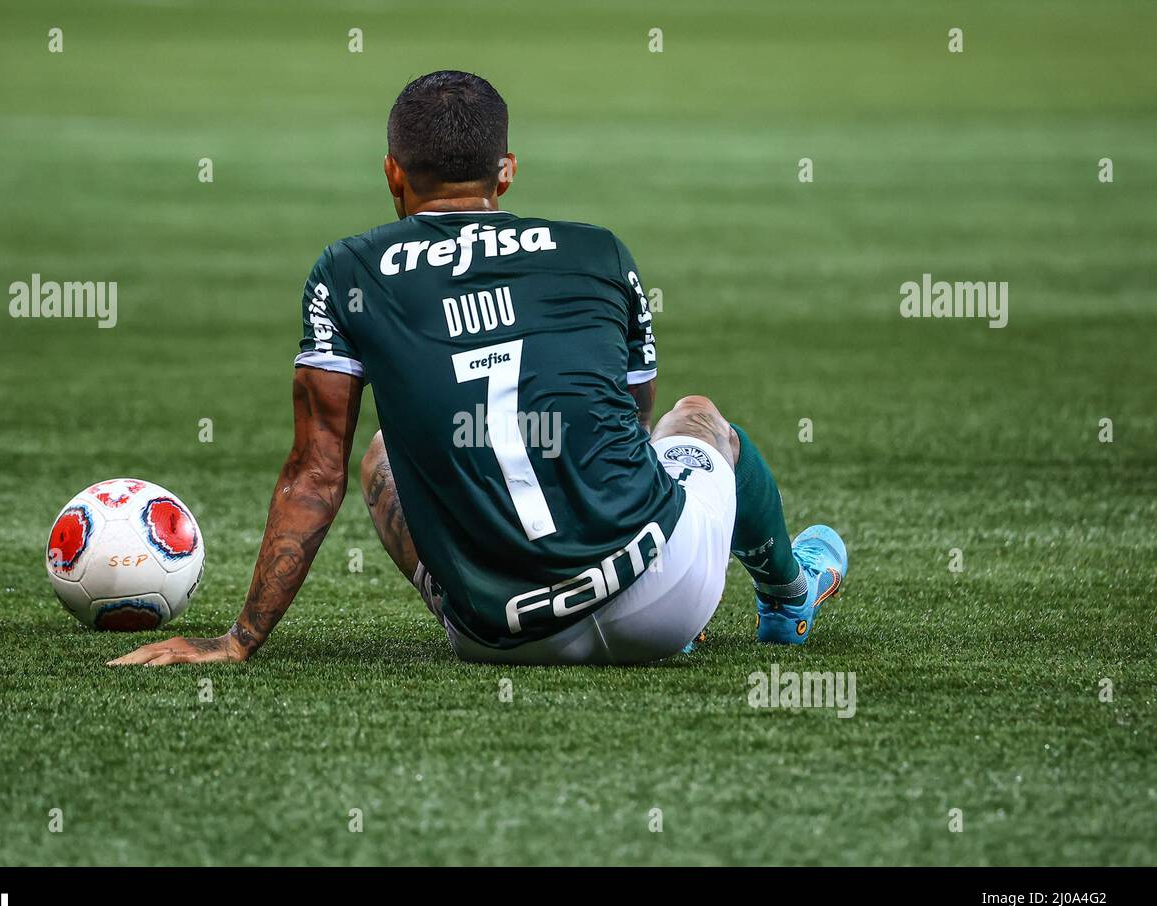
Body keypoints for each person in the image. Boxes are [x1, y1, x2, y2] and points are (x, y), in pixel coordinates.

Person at [109, 71, 846, 667]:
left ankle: (486, 589)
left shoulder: (347, 269)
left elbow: (313, 473)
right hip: (664, 597)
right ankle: (788, 597)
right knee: (696, 419)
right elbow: (632, 424)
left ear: (393, 173)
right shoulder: (598, 250)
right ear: (508, 172)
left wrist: (238, 640)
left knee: (376, 457)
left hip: (500, 640)